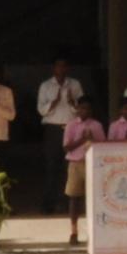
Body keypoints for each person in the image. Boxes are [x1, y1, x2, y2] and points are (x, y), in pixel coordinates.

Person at [40, 56, 90, 214]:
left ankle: (68, 204)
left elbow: (83, 107)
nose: (61, 69)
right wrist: (53, 102)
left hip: (72, 129)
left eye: (64, 66)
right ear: (53, 68)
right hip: (53, 129)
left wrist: (71, 102)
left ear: (67, 68)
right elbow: (40, 110)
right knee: (51, 167)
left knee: (70, 167)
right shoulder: (46, 85)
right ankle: (49, 204)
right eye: (58, 66)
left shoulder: (74, 84)